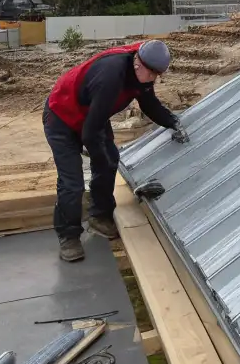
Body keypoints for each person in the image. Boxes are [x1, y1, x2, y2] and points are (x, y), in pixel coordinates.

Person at [43, 39, 188, 262]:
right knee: (72, 182)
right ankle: (68, 236)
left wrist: (172, 121)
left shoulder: (142, 71)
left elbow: (149, 104)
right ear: (138, 64)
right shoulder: (111, 77)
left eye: (158, 75)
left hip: (91, 115)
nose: (154, 80)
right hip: (61, 117)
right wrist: (93, 151)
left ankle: (99, 216)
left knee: (110, 159)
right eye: (152, 75)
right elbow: (90, 132)